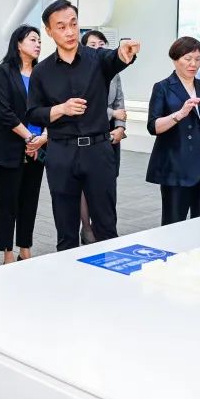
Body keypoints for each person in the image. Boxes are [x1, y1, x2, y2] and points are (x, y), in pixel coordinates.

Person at [25, 0, 140, 251]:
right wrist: (61, 109)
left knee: (106, 225)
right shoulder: (42, 71)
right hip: (61, 153)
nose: (69, 31)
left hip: (98, 151)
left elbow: (117, 57)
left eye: (73, 24)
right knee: (65, 229)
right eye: (61, 26)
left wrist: (125, 52)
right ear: (49, 31)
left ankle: (109, 272)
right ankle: (69, 273)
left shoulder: (98, 59)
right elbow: (33, 113)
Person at [146, 36, 200, 224]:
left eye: (198, 59)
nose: (193, 64)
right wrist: (179, 114)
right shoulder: (163, 88)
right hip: (177, 166)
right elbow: (153, 126)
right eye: (188, 59)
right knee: (173, 222)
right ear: (175, 59)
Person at [0, 25, 48, 264]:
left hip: (38, 147)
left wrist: (42, 138)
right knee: (8, 202)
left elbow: (50, 109)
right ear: (18, 44)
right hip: (10, 146)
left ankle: (25, 248)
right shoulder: (4, 72)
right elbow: (5, 112)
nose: (38, 44)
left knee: (29, 201)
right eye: (33, 40)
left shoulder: (43, 73)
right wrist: (29, 138)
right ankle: (7, 252)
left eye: (39, 40)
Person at [79, 29, 126, 244]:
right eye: (92, 45)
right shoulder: (80, 72)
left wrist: (120, 127)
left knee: (108, 184)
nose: (98, 48)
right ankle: (87, 228)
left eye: (101, 44)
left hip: (111, 135)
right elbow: (86, 104)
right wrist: (112, 113)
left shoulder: (113, 71)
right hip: (89, 134)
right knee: (86, 186)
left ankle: (106, 228)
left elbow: (120, 102)